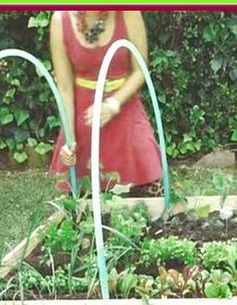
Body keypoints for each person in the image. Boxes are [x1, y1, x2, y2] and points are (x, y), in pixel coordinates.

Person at [50, 9, 162, 192]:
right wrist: (70, 139)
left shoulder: (128, 12)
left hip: (124, 108)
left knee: (147, 192)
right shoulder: (60, 20)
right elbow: (65, 88)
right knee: (84, 205)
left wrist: (114, 103)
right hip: (84, 117)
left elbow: (140, 70)